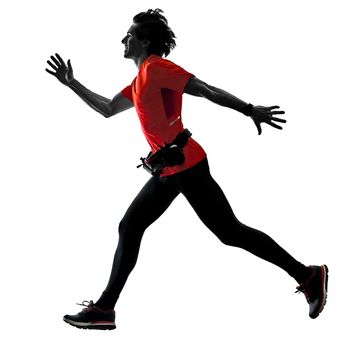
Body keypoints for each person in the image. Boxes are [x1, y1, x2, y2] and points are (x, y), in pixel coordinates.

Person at [46, 9, 328, 330]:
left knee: (229, 232)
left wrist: (249, 109)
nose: (123, 40)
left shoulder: (158, 68)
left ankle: (308, 274)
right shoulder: (140, 80)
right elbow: (109, 109)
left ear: (144, 40)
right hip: (168, 170)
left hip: (187, 166)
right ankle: (104, 309)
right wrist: (72, 84)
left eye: (129, 35)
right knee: (131, 226)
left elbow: (206, 89)